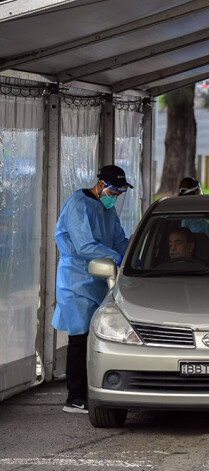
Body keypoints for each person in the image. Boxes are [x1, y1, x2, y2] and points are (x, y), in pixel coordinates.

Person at [52, 164, 132, 414]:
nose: (115, 198)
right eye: (113, 192)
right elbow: (84, 246)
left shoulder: (106, 208)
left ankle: (93, 390)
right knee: (79, 337)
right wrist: (116, 258)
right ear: (101, 186)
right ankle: (75, 398)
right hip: (76, 279)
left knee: (95, 336)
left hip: (98, 278)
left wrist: (133, 252)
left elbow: (119, 238)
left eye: (119, 194)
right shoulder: (79, 204)